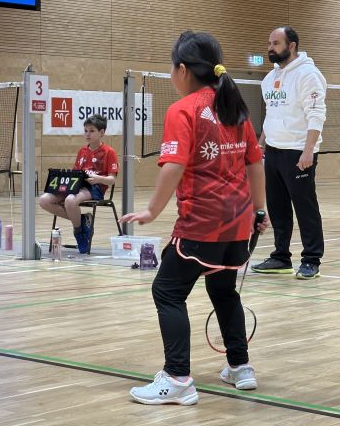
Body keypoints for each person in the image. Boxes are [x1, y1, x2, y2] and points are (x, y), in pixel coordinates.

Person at [120, 31, 269, 405]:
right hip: (239, 224)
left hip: (202, 224)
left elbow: (174, 165)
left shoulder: (183, 110)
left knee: (167, 291)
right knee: (223, 290)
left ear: (183, 70)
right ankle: (240, 367)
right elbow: (255, 163)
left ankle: (177, 378)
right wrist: (260, 210)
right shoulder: (235, 107)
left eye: (172, 68)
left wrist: (151, 211)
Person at [252, 26, 326, 280]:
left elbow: (316, 115)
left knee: (305, 207)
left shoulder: (308, 75)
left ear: (291, 45)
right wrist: (260, 144)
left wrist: (308, 151)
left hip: (298, 152)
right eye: (269, 43)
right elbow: (271, 115)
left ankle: (311, 259)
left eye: (276, 43)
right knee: (277, 206)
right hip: (273, 151)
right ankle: (281, 257)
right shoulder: (269, 78)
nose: (270, 48)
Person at [39, 114, 119, 253]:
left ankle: (79, 233)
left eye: (92, 131)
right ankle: (83, 220)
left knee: (70, 200)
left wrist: (98, 178)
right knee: (44, 200)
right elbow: (76, 172)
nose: (87, 134)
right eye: (86, 130)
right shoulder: (82, 151)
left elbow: (112, 180)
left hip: (94, 188)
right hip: (76, 185)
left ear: (102, 132)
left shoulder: (109, 152)